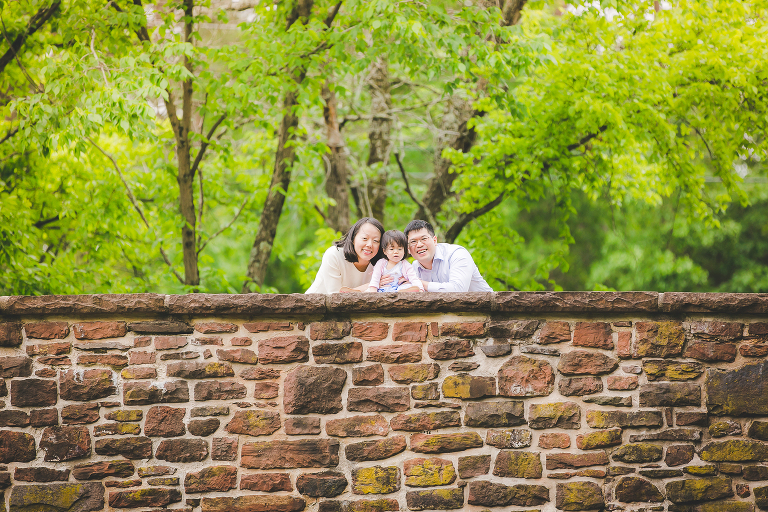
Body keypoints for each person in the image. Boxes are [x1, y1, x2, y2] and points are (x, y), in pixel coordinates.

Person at [404, 219, 493, 292]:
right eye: (413, 242)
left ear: (435, 240)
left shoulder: (457, 253)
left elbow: (458, 290)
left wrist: (418, 283)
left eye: (424, 239)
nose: (419, 245)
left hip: (487, 310)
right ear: (408, 249)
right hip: (449, 312)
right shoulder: (413, 268)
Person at [305, 217, 385, 294]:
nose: (369, 244)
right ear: (353, 238)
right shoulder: (334, 255)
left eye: (376, 241)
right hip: (313, 305)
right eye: (364, 238)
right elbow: (335, 298)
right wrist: (371, 285)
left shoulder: (382, 264)